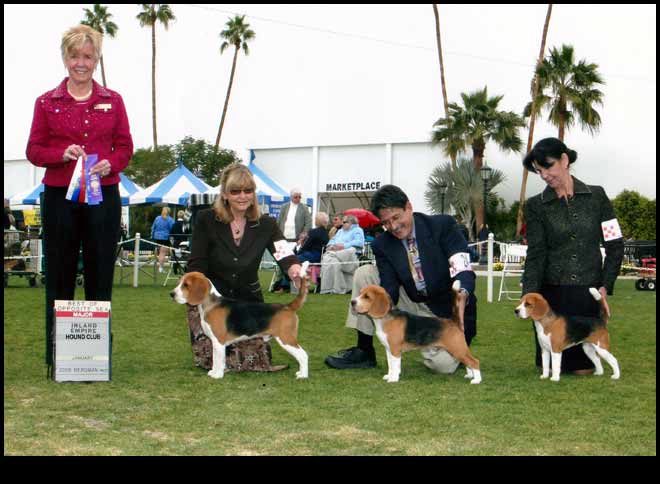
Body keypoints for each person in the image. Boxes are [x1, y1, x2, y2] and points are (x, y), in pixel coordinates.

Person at [26, 24, 133, 373]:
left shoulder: (114, 101)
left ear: (97, 59)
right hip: (60, 198)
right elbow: (33, 150)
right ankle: (59, 356)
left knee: (101, 273)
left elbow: (125, 147)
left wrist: (110, 163)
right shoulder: (46, 102)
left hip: (103, 195)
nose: (81, 63)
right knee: (59, 273)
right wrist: (60, 154)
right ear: (65, 58)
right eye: (75, 56)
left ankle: (95, 358)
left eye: (88, 56)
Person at [325, 184, 477, 372]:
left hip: (445, 309)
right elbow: (389, 285)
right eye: (386, 222)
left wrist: (462, 294)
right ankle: (364, 350)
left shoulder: (442, 225)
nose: (393, 226)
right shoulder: (382, 244)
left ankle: (456, 349)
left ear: (409, 207)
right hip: (410, 300)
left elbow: (462, 267)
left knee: (443, 366)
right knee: (365, 273)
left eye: (396, 217)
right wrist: (378, 304)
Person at [186, 163, 305, 372]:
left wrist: (293, 268)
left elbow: (283, 252)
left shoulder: (266, 223)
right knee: (214, 360)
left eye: (248, 190)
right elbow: (197, 262)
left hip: (248, 302)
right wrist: (196, 292)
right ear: (224, 194)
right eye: (235, 191)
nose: (242, 196)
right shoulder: (206, 219)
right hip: (213, 301)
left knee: (253, 364)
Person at [521, 137, 624, 375]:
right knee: (550, 365)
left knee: (583, 370)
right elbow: (535, 254)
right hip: (553, 299)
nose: (544, 175)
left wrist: (605, 286)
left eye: (548, 166)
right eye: (538, 171)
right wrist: (529, 295)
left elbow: (615, 244)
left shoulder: (597, 196)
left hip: (586, 295)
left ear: (565, 160)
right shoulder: (536, 206)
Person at [271, 188, 312, 292]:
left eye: (299, 197)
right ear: (291, 197)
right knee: (280, 261)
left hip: (296, 240)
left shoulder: (304, 208)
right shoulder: (284, 207)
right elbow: (279, 222)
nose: (298, 199)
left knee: (290, 262)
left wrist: (303, 235)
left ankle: (285, 286)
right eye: (295, 197)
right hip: (283, 239)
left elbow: (308, 223)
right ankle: (280, 284)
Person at [319, 214, 365, 295]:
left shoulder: (358, 230)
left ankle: (330, 255)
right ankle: (331, 289)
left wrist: (344, 246)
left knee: (331, 257)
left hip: (350, 255)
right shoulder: (340, 231)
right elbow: (332, 240)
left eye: (344, 222)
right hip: (337, 253)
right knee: (334, 262)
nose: (342, 223)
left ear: (351, 223)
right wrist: (330, 246)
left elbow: (359, 243)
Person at [151, 207, 174, 273]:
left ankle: (160, 267)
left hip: (157, 237)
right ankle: (161, 268)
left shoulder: (157, 218)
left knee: (160, 253)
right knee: (162, 253)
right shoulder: (170, 219)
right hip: (165, 237)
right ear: (169, 212)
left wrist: (152, 235)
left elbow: (153, 227)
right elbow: (172, 228)